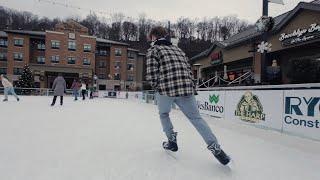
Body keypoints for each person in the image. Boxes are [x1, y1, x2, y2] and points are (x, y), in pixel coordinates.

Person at [146, 26, 230, 165]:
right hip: (186, 89)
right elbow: (189, 70)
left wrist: (157, 88)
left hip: (166, 89)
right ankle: (216, 149)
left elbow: (151, 74)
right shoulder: (179, 50)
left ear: (154, 36)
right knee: (196, 118)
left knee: (164, 114)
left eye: (151, 38)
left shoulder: (153, 50)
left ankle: (172, 141)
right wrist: (190, 85)